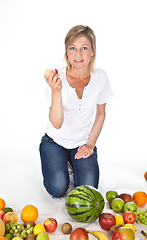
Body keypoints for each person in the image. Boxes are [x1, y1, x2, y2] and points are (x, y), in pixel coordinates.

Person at [39, 25, 114, 198]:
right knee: (57, 189)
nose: (78, 54)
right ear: (67, 51)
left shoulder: (101, 77)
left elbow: (101, 114)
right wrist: (56, 91)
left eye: (84, 48)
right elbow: (56, 124)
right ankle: (58, 161)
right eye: (73, 48)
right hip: (54, 141)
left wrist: (90, 145)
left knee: (88, 190)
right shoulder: (56, 78)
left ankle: (72, 162)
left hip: (82, 143)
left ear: (92, 51)